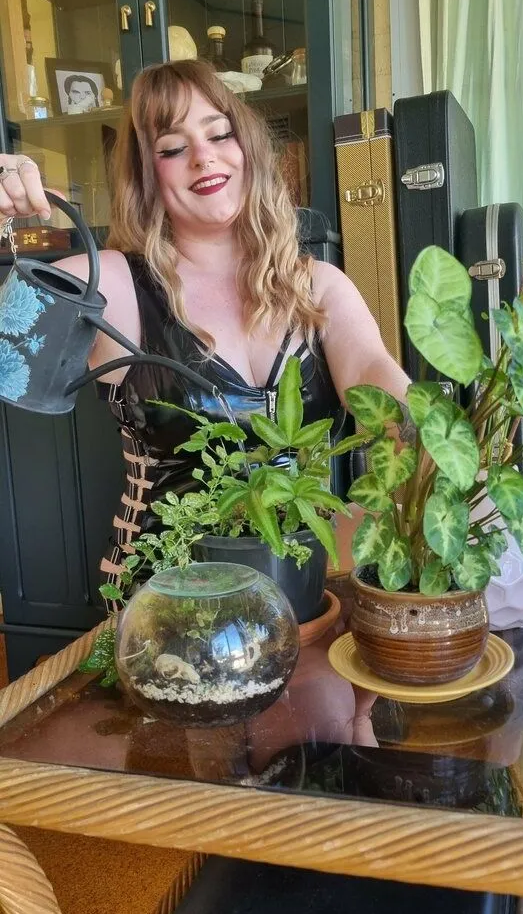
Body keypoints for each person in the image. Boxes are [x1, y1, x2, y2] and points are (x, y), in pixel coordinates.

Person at [0, 58, 412, 588]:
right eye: (172, 148)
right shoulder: (112, 285)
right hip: (164, 602)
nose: (203, 157)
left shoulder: (318, 287)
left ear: (247, 148)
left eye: (219, 134)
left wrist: (430, 454)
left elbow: (384, 390)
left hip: (303, 590)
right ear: (147, 174)